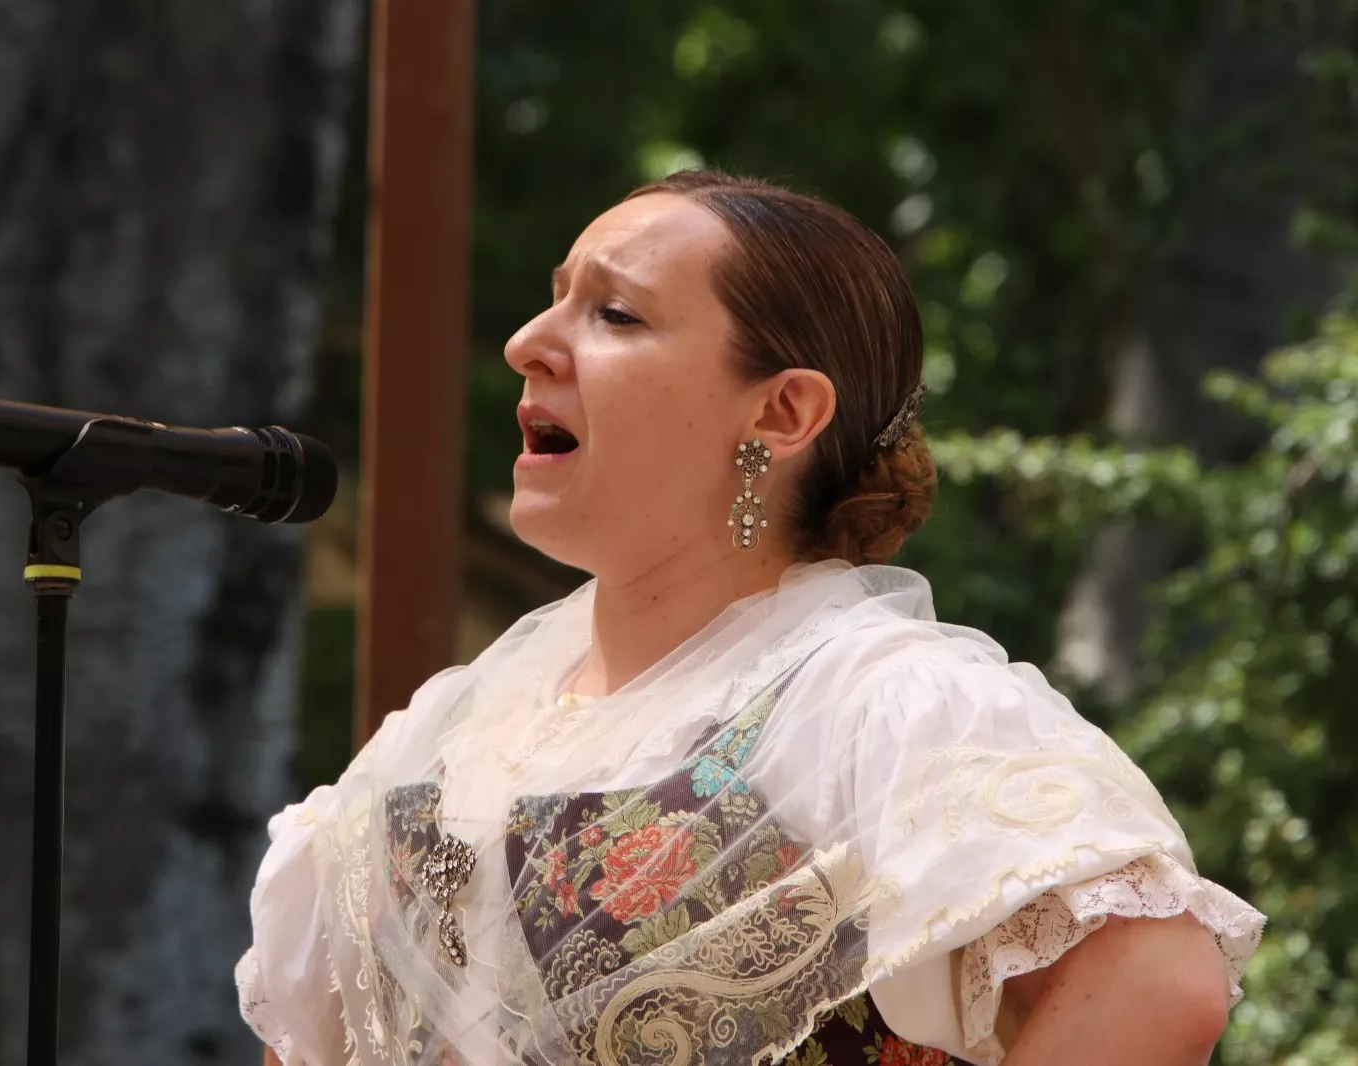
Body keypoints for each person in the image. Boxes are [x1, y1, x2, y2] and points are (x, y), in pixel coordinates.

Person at [236, 170, 1264, 1066]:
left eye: (615, 316)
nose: (525, 346)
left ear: (781, 413)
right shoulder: (439, 734)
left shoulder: (874, 699)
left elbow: (1154, 981)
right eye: (552, 303)